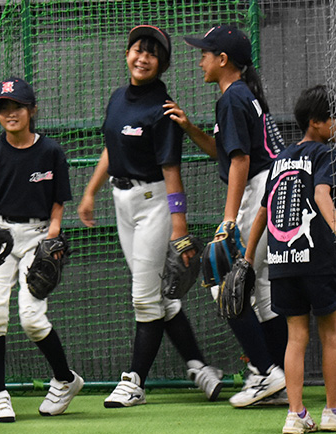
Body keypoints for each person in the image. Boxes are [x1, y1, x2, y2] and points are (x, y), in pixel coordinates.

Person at [78, 25, 224, 407]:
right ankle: (199, 367)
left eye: (152, 53)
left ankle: (133, 382)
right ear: (127, 54)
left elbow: (172, 172)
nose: (142, 58)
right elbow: (112, 149)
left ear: (162, 64)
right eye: (137, 50)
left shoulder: (163, 109)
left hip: (154, 203)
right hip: (121, 200)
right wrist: (91, 191)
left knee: (144, 299)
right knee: (163, 298)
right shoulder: (117, 98)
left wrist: (180, 227)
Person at [165, 25, 288, 408]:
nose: (199, 58)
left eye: (205, 52)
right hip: (274, 187)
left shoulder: (232, 98)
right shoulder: (242, 95)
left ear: (223, 60)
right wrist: (189, 129)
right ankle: (277, 376)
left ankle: (267, 373)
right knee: (261, 288)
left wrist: (228, 219)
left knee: (225, 283)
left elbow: (241, 160)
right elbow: (225, 152)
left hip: (259, 189)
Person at [243, 84, 336, 434]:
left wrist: (248, 258)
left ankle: (296, 415)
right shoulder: (322, 155)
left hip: (281, 259)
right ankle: (332, 410)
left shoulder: (279, 160)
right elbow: (323, 192)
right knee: (329, 334)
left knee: (296, 336)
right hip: (316, 257)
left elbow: (264, 213)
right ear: (317, 123)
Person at [0, 77, 84, 422]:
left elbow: (59, 201)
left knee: (31, 318)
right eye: (3, 107)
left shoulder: (50, 151)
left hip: (37, 234)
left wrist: (54, 235)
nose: (10, 113)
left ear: (32, 110)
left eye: (17, 106)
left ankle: (65, 379)